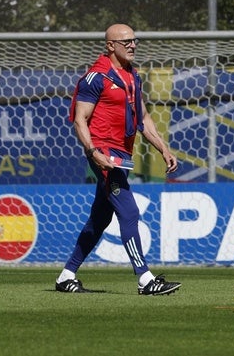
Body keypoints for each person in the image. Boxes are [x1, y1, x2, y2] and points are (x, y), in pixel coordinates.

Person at [56, 23, 181, 295]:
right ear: (110, 45)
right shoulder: (95, 77)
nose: (133, 45)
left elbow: (144, 118)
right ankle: (145, 279)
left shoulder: (132, 76)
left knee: (99, 219)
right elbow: (80, 120)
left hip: (121, 155)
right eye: (126, 42)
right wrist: (93, 152)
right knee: (129, 211)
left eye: (135, 41)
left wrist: (163, 148)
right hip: (104, 153)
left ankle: (66, 276)